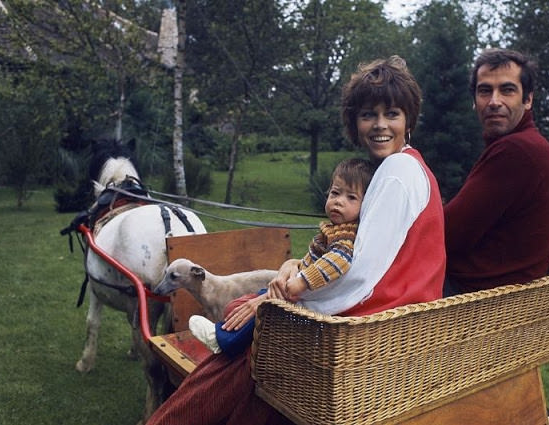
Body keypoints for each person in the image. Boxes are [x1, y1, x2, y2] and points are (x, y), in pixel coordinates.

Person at [146, 55, 446, 425]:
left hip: (372, 327)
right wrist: (293, 270)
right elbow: (347, 249)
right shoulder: (401, 169)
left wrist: (283, 299)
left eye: (392, 114)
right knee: (243, 328)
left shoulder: (398, 172)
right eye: (369, 114)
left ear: (409, 119)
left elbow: (361, 274)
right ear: (355, 121)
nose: (380, 125)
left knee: (228, 374)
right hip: (382, 318)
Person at [189, 157, 376, 357]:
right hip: (296, 285)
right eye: (335, 193)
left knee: (266, 309)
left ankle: (223, 340)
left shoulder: (345, 235)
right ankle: (227, 332)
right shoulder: (335, 230)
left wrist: (302, 282)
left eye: (351, 198)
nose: (339, 201)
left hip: (304, 296)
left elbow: (338, 261)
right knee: (254, 300)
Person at [443, 48, 549, 297]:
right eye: (485, 91)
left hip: (475, 298)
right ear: (475, 100)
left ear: (528, 99)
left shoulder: (517, 150)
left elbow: (449, 234)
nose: (494, 101)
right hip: (492, 290)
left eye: (507, 90)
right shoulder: (525, 144)